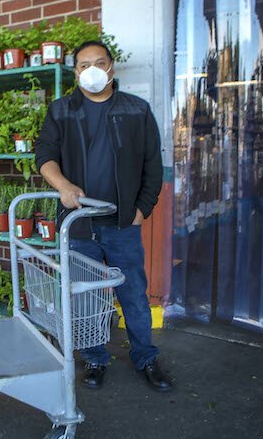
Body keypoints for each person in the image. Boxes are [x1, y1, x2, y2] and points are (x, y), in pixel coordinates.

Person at [34, 40, 173, 392]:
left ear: (111, 67)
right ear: (75, 71)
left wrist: (142, 209)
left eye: (99, 62)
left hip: (123, 223)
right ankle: (96, 358)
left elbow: (152, 167)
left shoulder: (136, 111)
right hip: (78, 223)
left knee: (133, 296)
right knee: (85, 297)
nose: (91, 70)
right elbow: (45, 156)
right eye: (83, 65)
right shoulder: (61, 111)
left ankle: (146, 358)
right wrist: (63, 185)